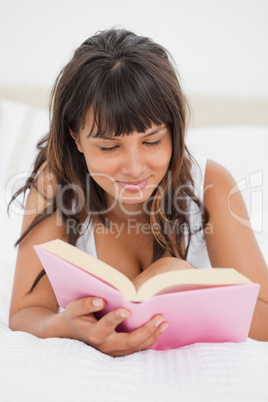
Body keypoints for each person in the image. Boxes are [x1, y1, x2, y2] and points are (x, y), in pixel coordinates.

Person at [9, 28, 268, 357]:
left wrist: (191, 280)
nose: (134, 168)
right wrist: (66, 327)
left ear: (175, 130)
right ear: (75, 137)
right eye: (109, 146)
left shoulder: (211, 187)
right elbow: (25, 313)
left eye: (152, 141)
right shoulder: (57, 187)